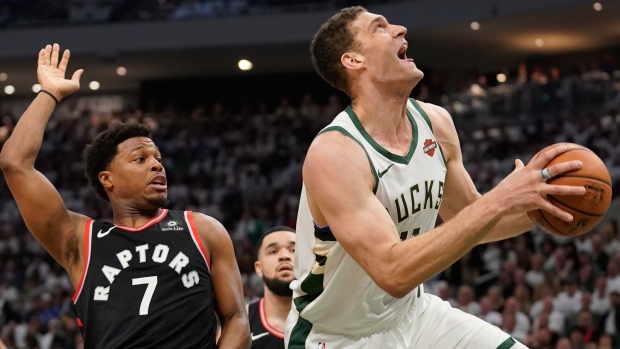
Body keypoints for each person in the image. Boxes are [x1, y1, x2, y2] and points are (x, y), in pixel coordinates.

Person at [285, 6, 586, 349]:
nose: (400, 29)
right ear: (354, 60)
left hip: (415, 315)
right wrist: (501, 198)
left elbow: (469, 218)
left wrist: (544, 203)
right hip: (340, 336)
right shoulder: (336, 153)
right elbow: (392, 272)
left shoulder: (435, 122)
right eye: (379, 28)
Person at [0, 44, 251, 349]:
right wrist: (49, 93)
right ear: (107, 179)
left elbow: (237, 319)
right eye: (140, 158)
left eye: (157, 157)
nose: (157, 163)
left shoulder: (203, 229)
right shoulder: (80, 241)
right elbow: (15, 164)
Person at [249, 226, 296, 349]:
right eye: (273, 251)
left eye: (294, 250)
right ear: (259, 268)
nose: (284, 256)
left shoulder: (330, 317)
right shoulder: (239, 322)